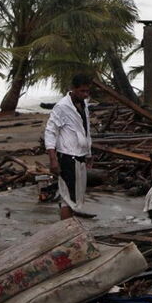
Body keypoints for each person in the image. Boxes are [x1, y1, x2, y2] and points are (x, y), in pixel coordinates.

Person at [44, 74, 93, 220]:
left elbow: (86, 130)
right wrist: (53, 159)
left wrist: (89, 153)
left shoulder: (84, 105)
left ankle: (70, 229)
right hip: (67, 157)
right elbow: (50, 132)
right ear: (73, 89)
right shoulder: (62, 107)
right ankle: (66, 231)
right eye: (82, 91)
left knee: (77, 196)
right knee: (68, 198)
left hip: (80, 156)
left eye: (87, 92)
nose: (84, 95)